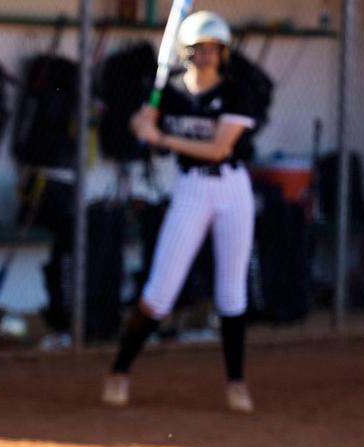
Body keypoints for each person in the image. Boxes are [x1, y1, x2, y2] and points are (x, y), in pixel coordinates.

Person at [103, 10, 257, 413]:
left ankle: (236, 383)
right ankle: (119, 371)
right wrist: (144, 123)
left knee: (231, 292)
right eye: (199, 49)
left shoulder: (238, 92)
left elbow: (220, 148)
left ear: (223, 53)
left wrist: (165, 139)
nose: (206, 56)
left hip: (232, 187)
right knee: (159, 292)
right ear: (185, 52)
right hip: (191, 189)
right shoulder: (168, 91)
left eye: (213, 49)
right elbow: (141, 126)